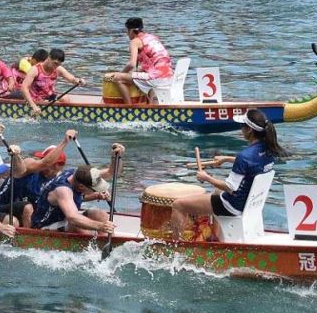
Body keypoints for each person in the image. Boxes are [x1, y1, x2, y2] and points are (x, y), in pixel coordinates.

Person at [165, 107, 284, 242]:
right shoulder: (270, 149)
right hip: (248, 202)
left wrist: (206, 177)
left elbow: (230, 187)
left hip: (233, 206)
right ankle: (210, 233)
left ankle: (177, 246)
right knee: (216, 191)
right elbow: (254, 165)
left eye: (242, 126)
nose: (241, 129)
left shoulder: (244, 156)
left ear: (249, 130)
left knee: (178, 204)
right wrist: (227, 159)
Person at [33, 146, 122, 236]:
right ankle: (93, 246)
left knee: (100, 214)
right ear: (81, 186)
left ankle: (107, 244)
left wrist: (115, 157)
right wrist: (100, 226)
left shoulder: (79, 173)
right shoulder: (63, 190)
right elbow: (72, 218)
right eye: (94, 189)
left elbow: (111, 173)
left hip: (64, 221)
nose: (96, 191)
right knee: (77, 225)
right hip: (44, 226)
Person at [106, 17, 174, 105]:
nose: (127, 34)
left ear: (130, 31)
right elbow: (152, 62)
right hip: (169, 76)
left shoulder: (135, 41)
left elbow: (132, 64)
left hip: (157, 79)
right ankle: (149, 103)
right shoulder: (151, 37)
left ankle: (129, 108)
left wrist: (121, 74)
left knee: (117, 78)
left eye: (126, 31)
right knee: (136, 74)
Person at [20, 48, 84, 114]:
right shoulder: (35, 70)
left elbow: (72, 79)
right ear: (49, 58)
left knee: (66, 99)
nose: (56, 66)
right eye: (55, 63)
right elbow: (24, 88)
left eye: (58, 64)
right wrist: (33, 106)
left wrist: (78, 80)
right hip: (35, 99)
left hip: (49, 97)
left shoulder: (58, 69)